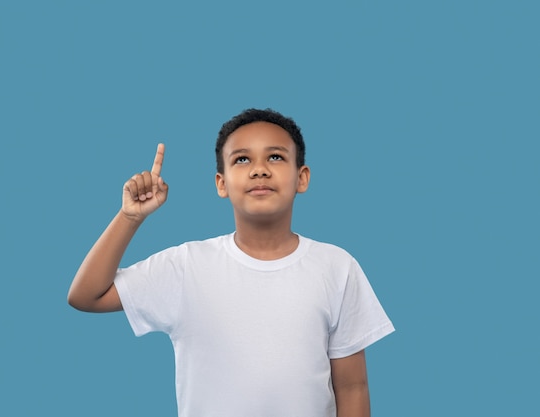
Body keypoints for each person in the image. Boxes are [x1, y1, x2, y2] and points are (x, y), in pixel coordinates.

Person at [68, 108, 394, 417]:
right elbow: (87, 295)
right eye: (242, 159)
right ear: (221, 183)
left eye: (276, 156)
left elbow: (352, 386)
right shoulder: (186, 267)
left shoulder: (336, 267)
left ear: (302, 177)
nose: (259, 169)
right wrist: (129, 217)